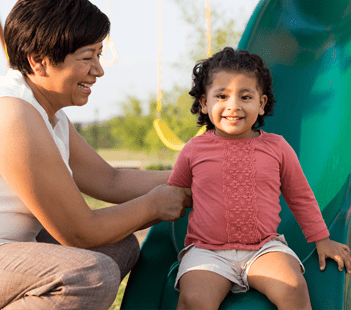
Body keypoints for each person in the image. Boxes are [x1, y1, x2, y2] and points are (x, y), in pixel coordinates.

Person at [0, 1, 191, 309]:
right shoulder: (13, 114)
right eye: (88, 57)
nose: (99, 70)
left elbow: (110, 180)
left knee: (119, 246)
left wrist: (198, 175)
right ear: (39, 61)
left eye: (99, 55)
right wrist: (156, 203)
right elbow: (80, 233)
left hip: (12, 247)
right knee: (90, 275)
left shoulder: (48, 113)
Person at [167, 47, 351, 310]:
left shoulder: (277, 148)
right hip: (207, 251)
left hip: (263, 248)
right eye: (222, 96)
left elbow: (299, 196)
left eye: (245, 96)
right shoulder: (194, 150)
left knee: (294, 287)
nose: (233, 106)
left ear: (261, 103)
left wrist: (322, 239)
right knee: (195, 300)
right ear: (204, 103)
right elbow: (173, 195)